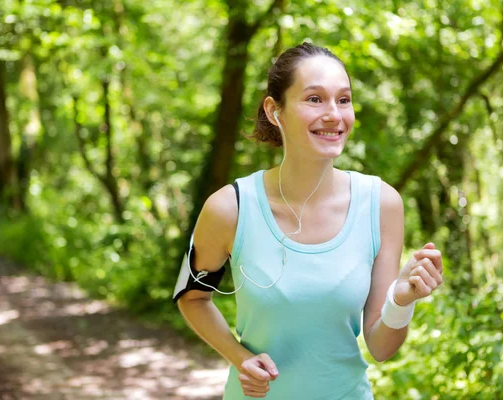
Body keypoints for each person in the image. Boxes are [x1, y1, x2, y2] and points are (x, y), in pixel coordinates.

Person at [175, 42, 444, 399]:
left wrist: (402, 299)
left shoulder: (381, 204)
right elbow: (191, 297)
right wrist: (240, 358)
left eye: (343, 100)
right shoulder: (231, 207)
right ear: (275, 111)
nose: (334, 114)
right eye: (315, 99)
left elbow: (381, 347)